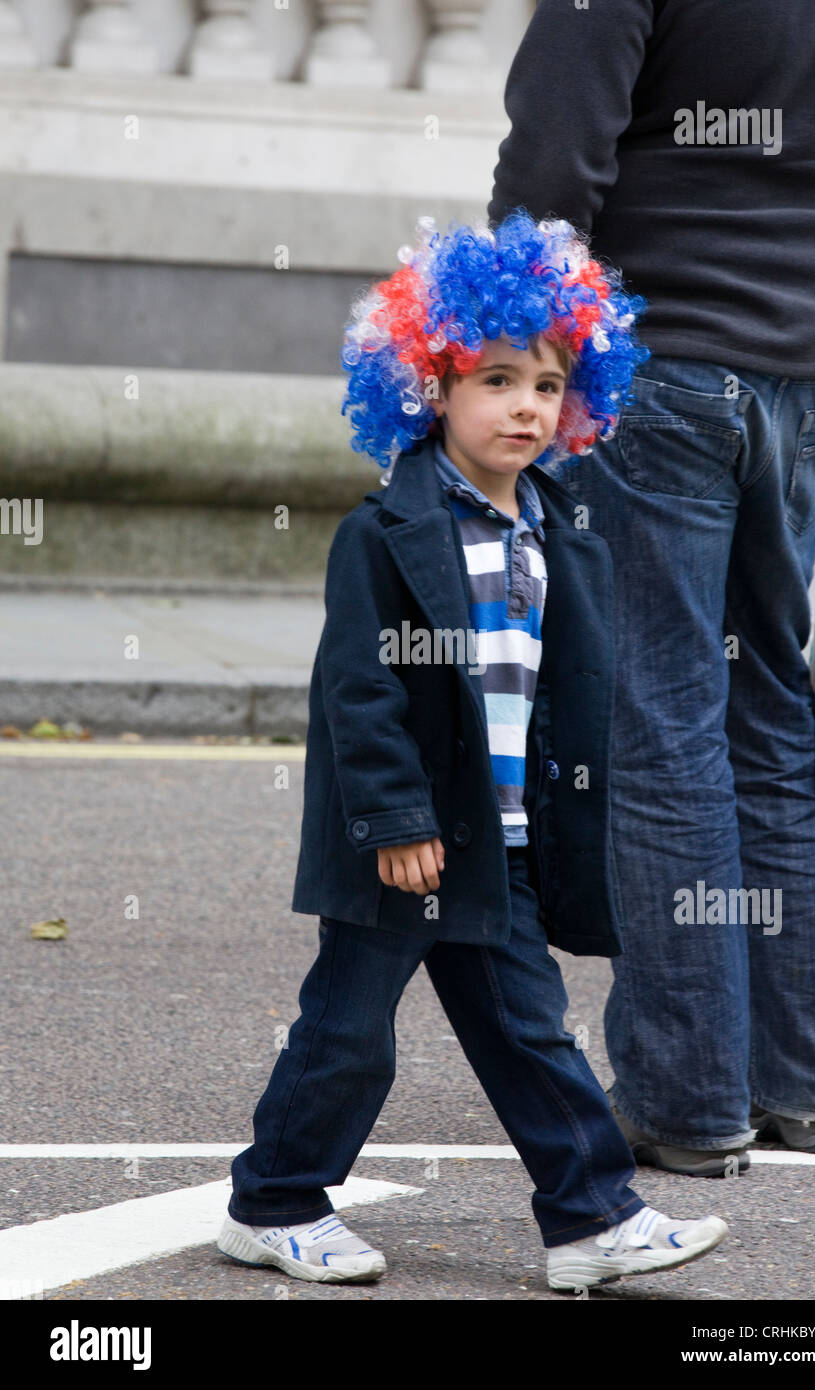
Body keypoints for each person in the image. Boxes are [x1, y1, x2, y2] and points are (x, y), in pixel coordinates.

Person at [216, 211, 727, 1290]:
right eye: (495, 380)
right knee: (349, 1033)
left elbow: (555, 702)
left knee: (529, 1029)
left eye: (545, 384)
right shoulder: (384, 531)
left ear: (575, 401)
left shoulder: (558, 532)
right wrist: (396, 820)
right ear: (428, 388)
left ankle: (590, 1217)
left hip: (499, 841)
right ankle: (271, 1202)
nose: (524, 406)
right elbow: (358, 692)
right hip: (402, 838)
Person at [488, 0, 815, 1176]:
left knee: (661, 724)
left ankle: (684, 1096)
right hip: (804, 368)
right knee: (769, 715)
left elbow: (552, 157)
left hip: (656, 365)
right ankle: (813, 1080)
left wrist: (521, 358)